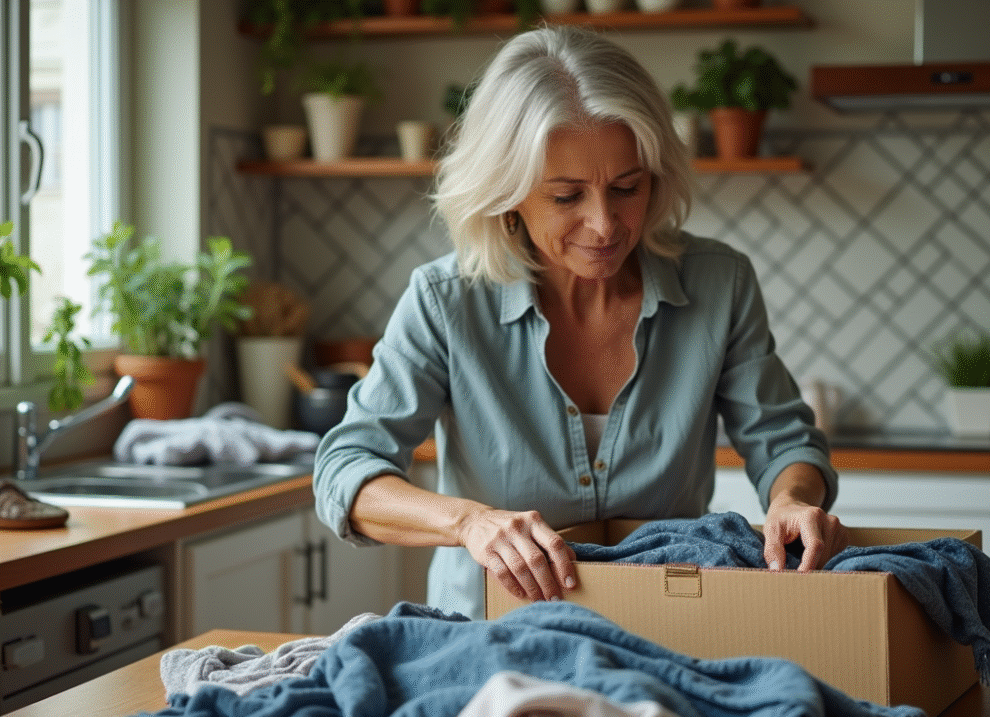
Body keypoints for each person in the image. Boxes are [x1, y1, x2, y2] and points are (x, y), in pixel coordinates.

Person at [313, 25, 847, 621]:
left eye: (626, 187)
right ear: (508, 192)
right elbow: (346, 471)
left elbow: (785, 442)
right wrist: (470, 522)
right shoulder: (446, 300)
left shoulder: (719, 284)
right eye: (567, 196)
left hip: (667, 628)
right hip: (488, 633)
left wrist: (792, 501)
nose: (605, 225)